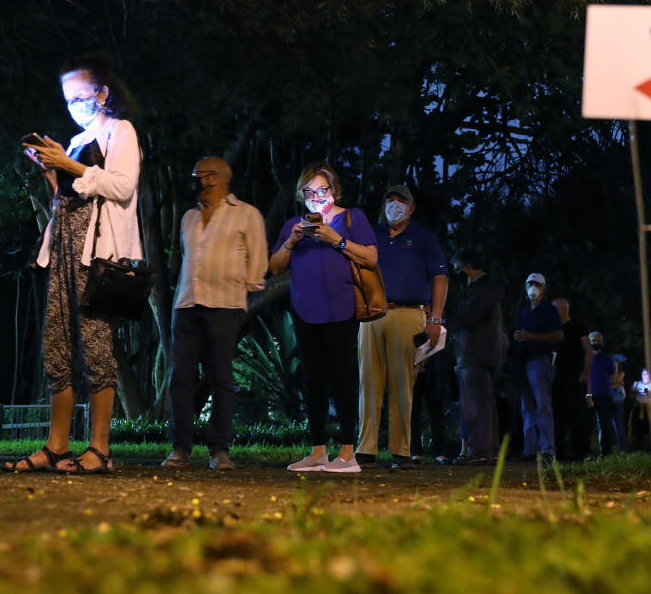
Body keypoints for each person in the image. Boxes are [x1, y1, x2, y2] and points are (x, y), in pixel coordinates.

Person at [7, 53, 142, 474]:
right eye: (68, 100)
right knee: (58, 347)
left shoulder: (121, 131)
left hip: (95, 256)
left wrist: (69, 164)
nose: (74, 106)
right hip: (64, 248)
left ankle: (100, 449)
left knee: (97, 346)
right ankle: (56, 445)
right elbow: (63, 200)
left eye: (80, 97)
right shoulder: (77, 139)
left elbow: (121, 186)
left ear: (102, 93)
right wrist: (52, 170)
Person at [161, 157, 268, 471]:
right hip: (186, 305)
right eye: (195, 175)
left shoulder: (246, 215)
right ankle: (180, 449)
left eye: (202, 175)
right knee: (180, 378)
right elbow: (184, 258)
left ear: (218, 177)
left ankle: (218, 450)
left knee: (220, 377)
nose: (197, 181)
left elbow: (258, 265)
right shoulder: (189, 218)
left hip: (225, 305)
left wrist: (237, 286)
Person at [270, 162, 378, 473]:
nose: (316, 197)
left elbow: (370, 257)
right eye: (309, 192)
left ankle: (347, 454)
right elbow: (275, 266)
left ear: (334, 191)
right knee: (312, 380)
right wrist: (291, 240)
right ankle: (318, 451)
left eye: (322, 191)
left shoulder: (351, 218)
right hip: (305, 311)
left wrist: (336, 240)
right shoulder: (294, 225)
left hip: (342, 309)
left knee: (341, 378)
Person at [356, 184, 447, 470]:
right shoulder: (372, 234)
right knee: (368, 381)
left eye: (400, 200)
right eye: (389, 198)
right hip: (372, 314)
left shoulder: (424, 238)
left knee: (402, 385)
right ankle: (366, 449)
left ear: (411, 207)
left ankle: (401, 450)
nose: (394, 204)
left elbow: (440, 278)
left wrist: (435, 318)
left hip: (409, 314)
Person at [449, 250, 503, 464]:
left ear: (468, 267)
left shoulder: (481, 291)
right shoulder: (485, 289)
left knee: (475, 404)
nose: (456, 274)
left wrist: (446, 317)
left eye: (457, 268)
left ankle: (480, 451)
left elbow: (467, 319)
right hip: (480, 354)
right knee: (483, 402)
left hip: (474, 353)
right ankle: (487, 450)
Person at [514, 273, 563, 461]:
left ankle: (548, 449)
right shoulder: (524, 310)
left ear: (543, 288)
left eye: (537, 285)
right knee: (527, 407)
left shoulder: (549, 310)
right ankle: (530, 449)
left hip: (540, 361)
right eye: (530, 285)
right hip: (524, 361)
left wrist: (531, 337)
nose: (533, 288)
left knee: (542, 405)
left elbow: (558, 335)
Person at [551, 298, 592, 461]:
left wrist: (585, 373)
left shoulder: (577, 326)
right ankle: (560, 450)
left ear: (564, 309)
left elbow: (588, 350)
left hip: (574, 376)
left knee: (576, 414)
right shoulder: (554, 329)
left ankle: (581, 450)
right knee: (558, 415)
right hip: (557, 376)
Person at [585, 331, 618, 458]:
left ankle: (606, 452)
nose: (595, 343)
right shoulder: (586, 357)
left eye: (598, 340)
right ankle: (586, 452)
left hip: (604, 395)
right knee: (586, 424)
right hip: (589, 394)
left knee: (606, 424)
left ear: (602, 343)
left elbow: (612, 376)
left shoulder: (607, 358)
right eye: (593, 340)